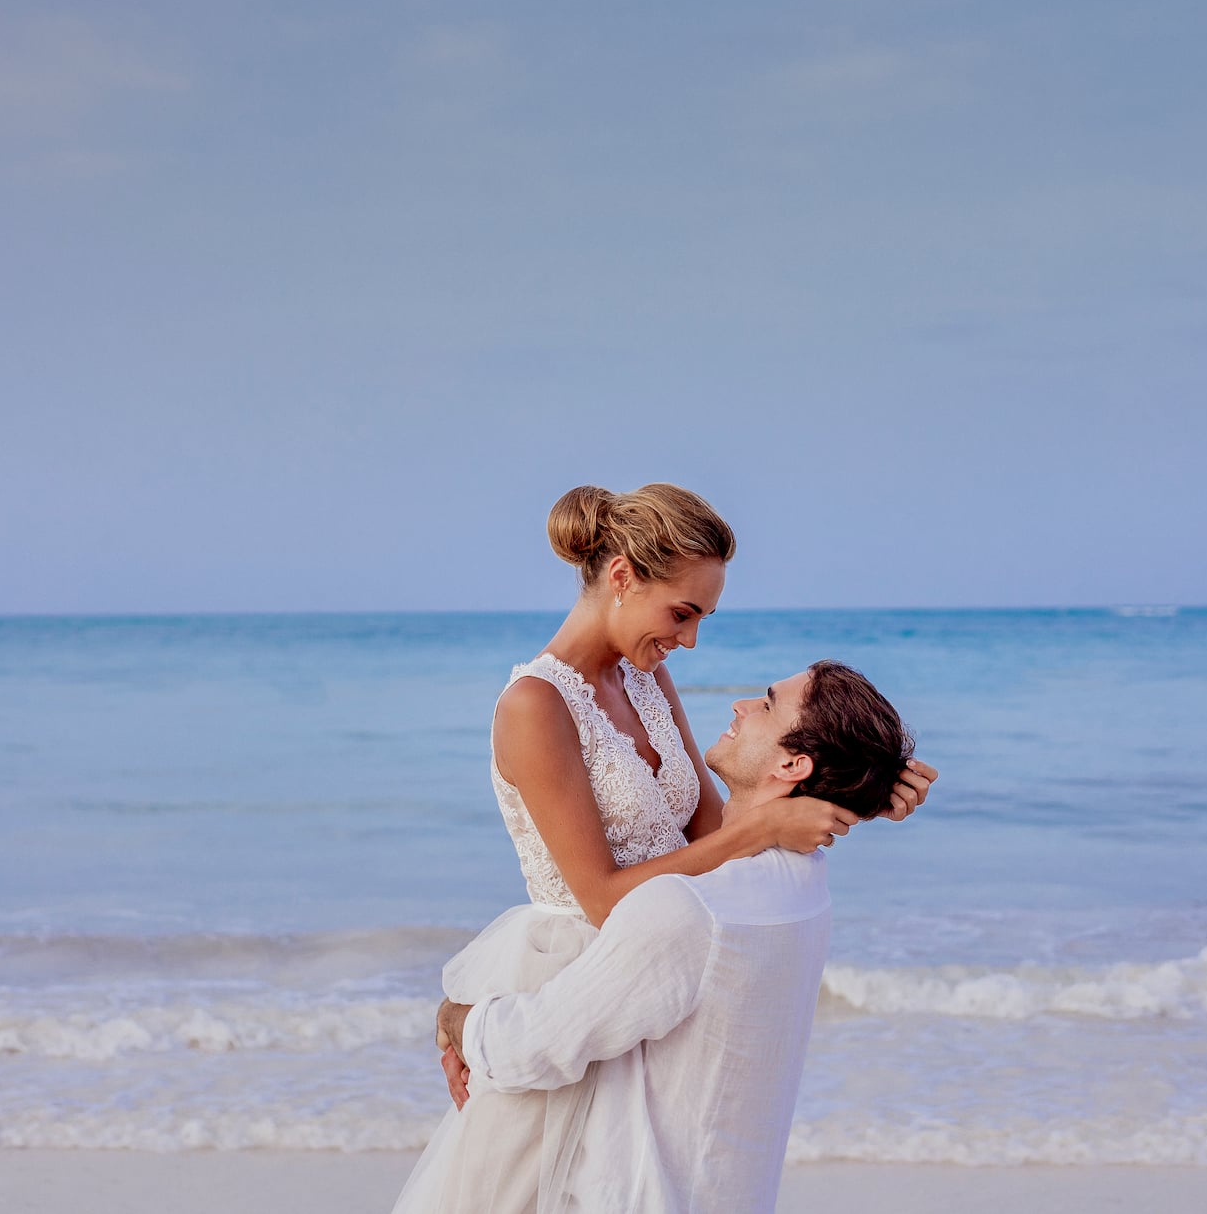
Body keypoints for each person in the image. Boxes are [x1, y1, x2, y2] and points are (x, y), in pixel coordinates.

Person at [390, 485, 933, 1214]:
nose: (691, 639)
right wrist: (765, 828)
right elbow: (606, 898)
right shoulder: (535, 707)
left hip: (648, 978)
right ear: (621, 577)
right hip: (572, 975)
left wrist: (857, 788)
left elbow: (712, 838)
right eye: (683, 613)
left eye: (702, 617)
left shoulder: (646, 676)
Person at [436, 660, 916, 1212]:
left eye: (766, 703)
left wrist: (458, 1017)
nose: (741, 705)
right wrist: (872, 782)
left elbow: (533, 1049)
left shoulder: (687, 911)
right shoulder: (806, 885)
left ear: (793, 764)